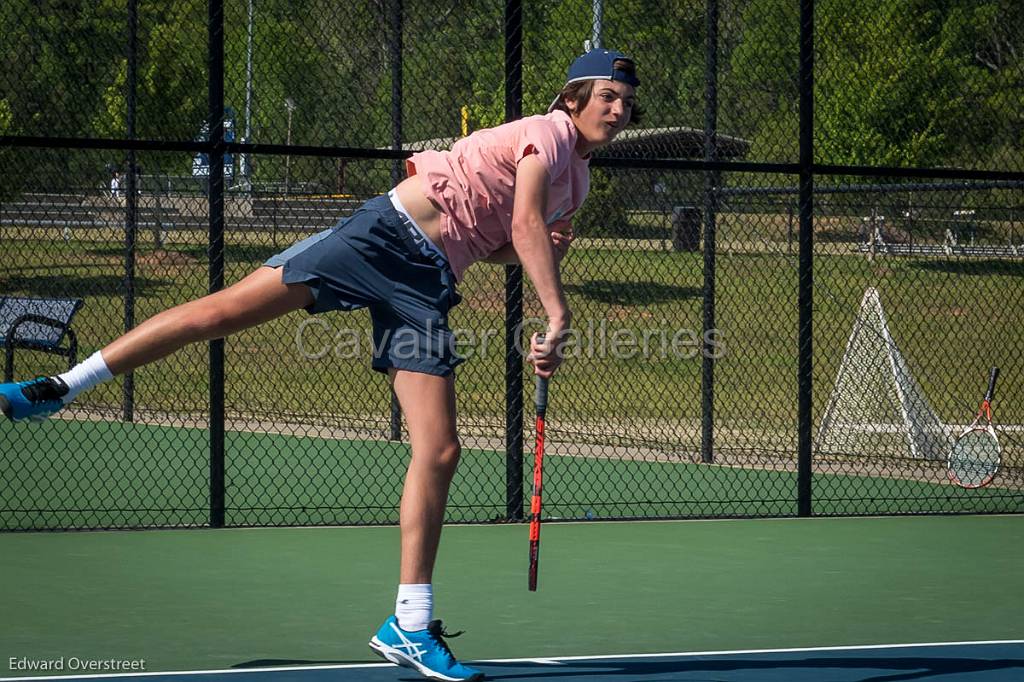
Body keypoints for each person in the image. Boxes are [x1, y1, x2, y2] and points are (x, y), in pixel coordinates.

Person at [0, 48, 640, 682]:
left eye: (625, 102)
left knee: (440, 450)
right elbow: (526, 221)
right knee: (219, 315)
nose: (617, 109)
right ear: (573, 99)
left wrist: (541, 250)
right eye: (606, 97)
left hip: (426, 282)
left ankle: (410, 625)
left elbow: (504, 237)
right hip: (380, 237)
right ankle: (60, 385)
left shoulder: (577, 180)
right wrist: (555, 312)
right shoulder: (547, 135)